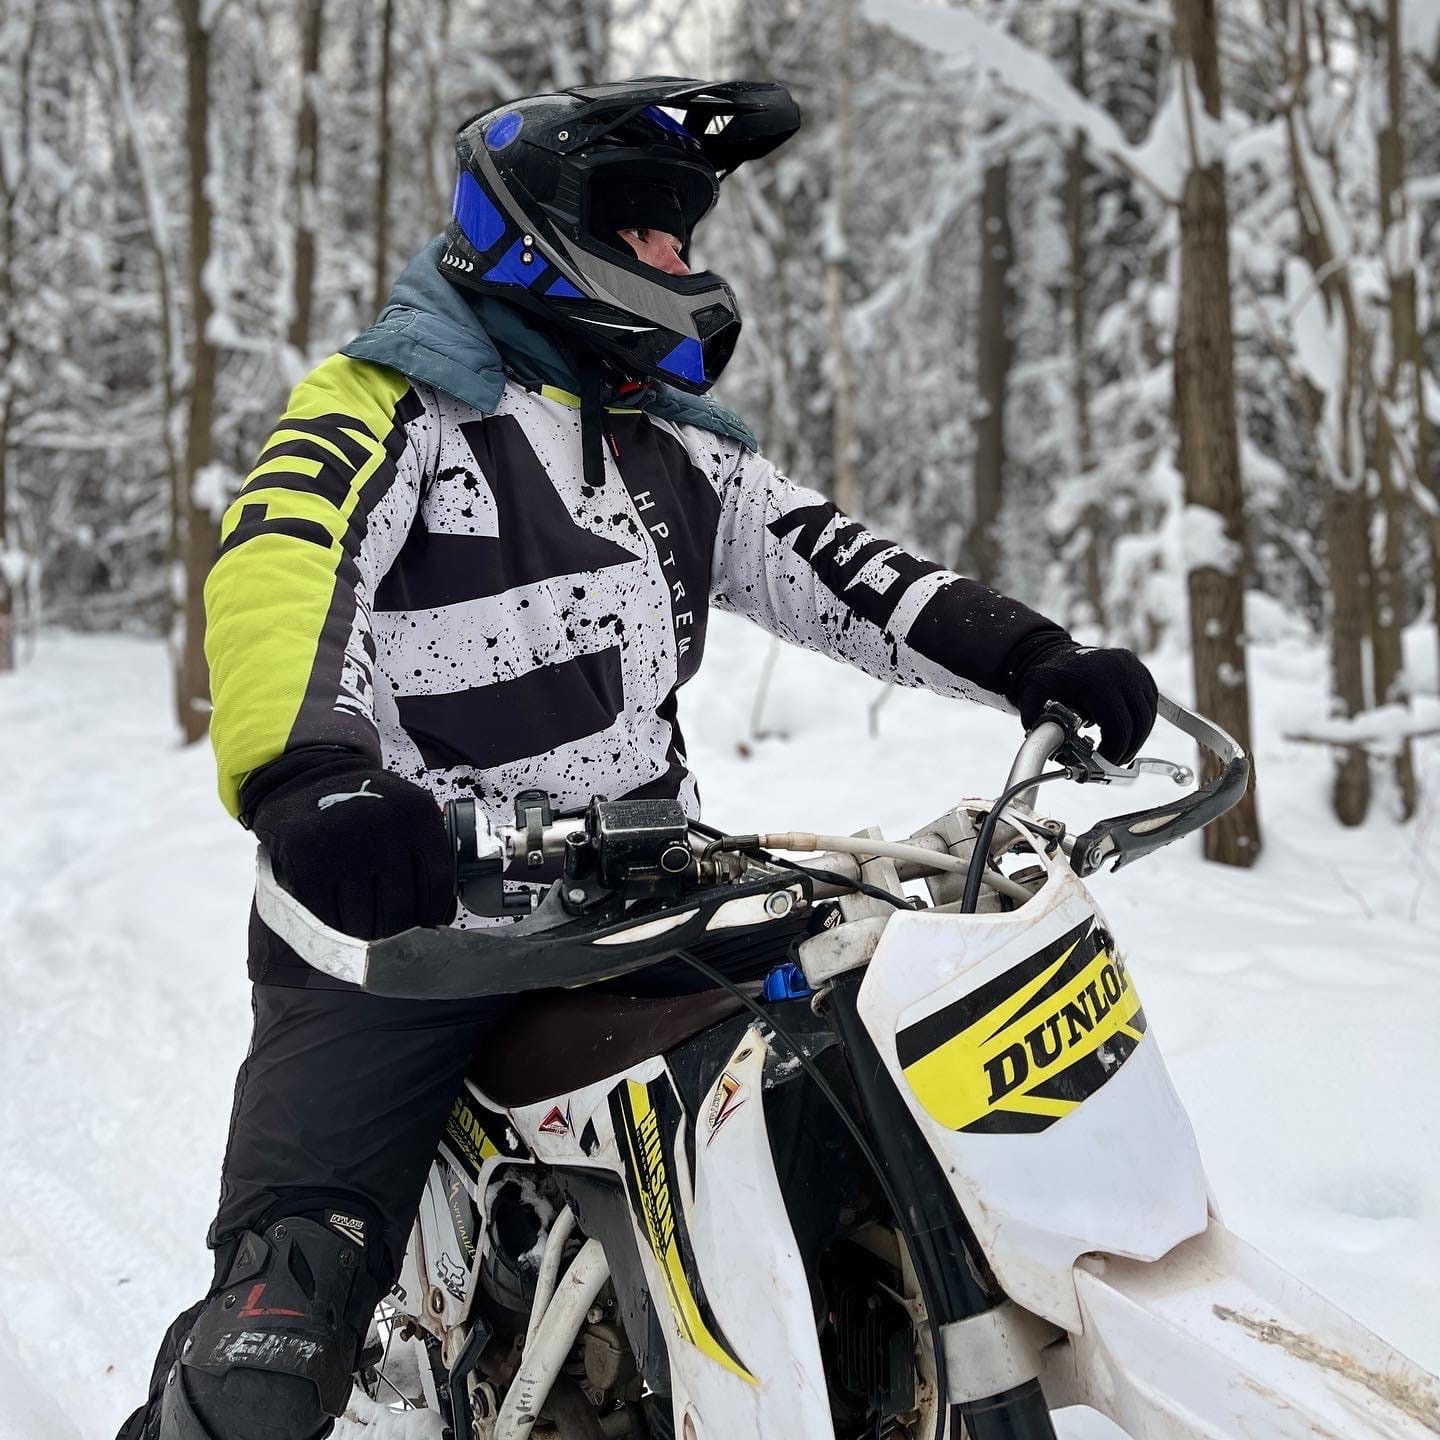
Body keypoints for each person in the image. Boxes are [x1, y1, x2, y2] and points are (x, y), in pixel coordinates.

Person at [116, 77, 1157, 1440]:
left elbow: (839, 571)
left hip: (643, 892)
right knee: (274, 1343)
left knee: (865, 1102)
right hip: (406, 922)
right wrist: (313, 775)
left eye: (686, 233)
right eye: (650, 230)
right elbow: (283, 566)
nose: (682, 258)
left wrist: (1031, 658)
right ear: (540, 232)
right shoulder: (390, 404)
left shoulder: (673, 452)